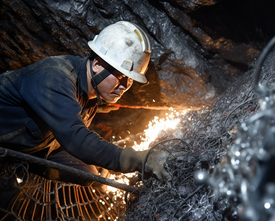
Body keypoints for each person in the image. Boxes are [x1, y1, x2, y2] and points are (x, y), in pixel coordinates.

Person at [0, 21, 176, 190]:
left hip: (18, 151)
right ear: (98, 65)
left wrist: (95, 167)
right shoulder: (54, 76)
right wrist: (136, 159)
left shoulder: (89, 102)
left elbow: (57, 144)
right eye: (120, 77)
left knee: (89, 173)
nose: (124, 87)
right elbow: (74, 137)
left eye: (129, 80)